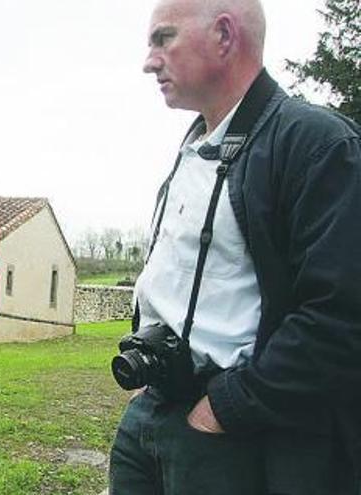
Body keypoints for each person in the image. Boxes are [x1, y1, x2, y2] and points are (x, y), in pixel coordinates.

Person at [108, 0, 361, 494]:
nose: (148, 61)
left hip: (233, 429)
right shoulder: (197, 142)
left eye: (163, 39)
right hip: (154, 408)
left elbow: (342, 314)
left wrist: (228, 406)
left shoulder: (318, 144)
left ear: (224, 35)